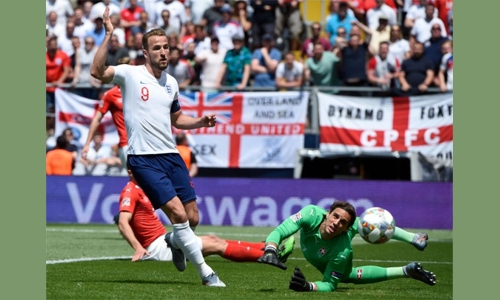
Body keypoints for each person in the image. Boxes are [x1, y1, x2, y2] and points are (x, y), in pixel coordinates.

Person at [90, 7, 226, 287]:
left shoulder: (171, 83)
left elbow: (177, 118)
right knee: (176, 213)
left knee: (192, 217)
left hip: (171, 155)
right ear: (145, 52)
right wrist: (109, 35)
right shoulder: (129, 74)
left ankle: (174, 243)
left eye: (166, 47)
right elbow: (96, 71)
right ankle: (206, 273)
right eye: (157, 48)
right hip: (143, 159)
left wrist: (200, 121)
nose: (164, 52)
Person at [117, 162, 295, 263]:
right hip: (156, 249)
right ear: (131, 171)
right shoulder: (130, 191)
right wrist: (138, 247)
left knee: (215, 239)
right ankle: (272, 256)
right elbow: (123, 221)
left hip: (166, 241)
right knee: (216, 245)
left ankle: (264, 247)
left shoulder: (144, 188)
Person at [257, 201, 437, 292]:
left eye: (343, 222)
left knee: (347, 275)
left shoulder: (342, 250)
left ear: (347, 228)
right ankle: (414, 239)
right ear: (327, 213)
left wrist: (308, 286)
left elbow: (329, 285)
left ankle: (406, 269)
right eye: (335, 216)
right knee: (368, 223)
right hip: (316, 237)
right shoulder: (310, 213)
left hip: (338, 249)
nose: (336, 223)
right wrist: (271, 249)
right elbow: (280, 231)